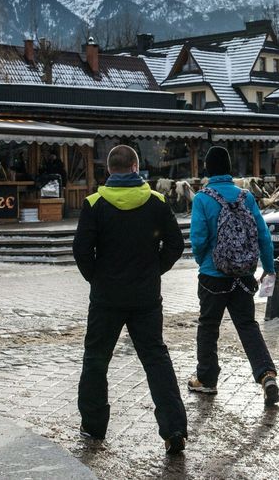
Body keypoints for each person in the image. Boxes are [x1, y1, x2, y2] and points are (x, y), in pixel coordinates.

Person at [72, 145, 187, 454]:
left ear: (109, 170)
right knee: (156, 359)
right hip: (145, 298)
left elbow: (81, 250)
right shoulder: (156, 202)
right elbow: (176, 244)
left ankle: (94, 426)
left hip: (106, 298)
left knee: (96, 360)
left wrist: (96, 277)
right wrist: (154, 270)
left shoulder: (95, 204)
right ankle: (174, 427)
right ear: (137, 167)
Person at [187, 146, 279, 406]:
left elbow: (198, 239)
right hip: (243, 275)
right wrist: (268, 267)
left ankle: (206, 379)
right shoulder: (245, 197)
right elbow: (262, 234)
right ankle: (266, 374)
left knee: (208, 326)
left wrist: (204, 261)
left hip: (212, 276)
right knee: (247, 325)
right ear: (229, 169)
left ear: (207, 168)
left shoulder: (203, 198)